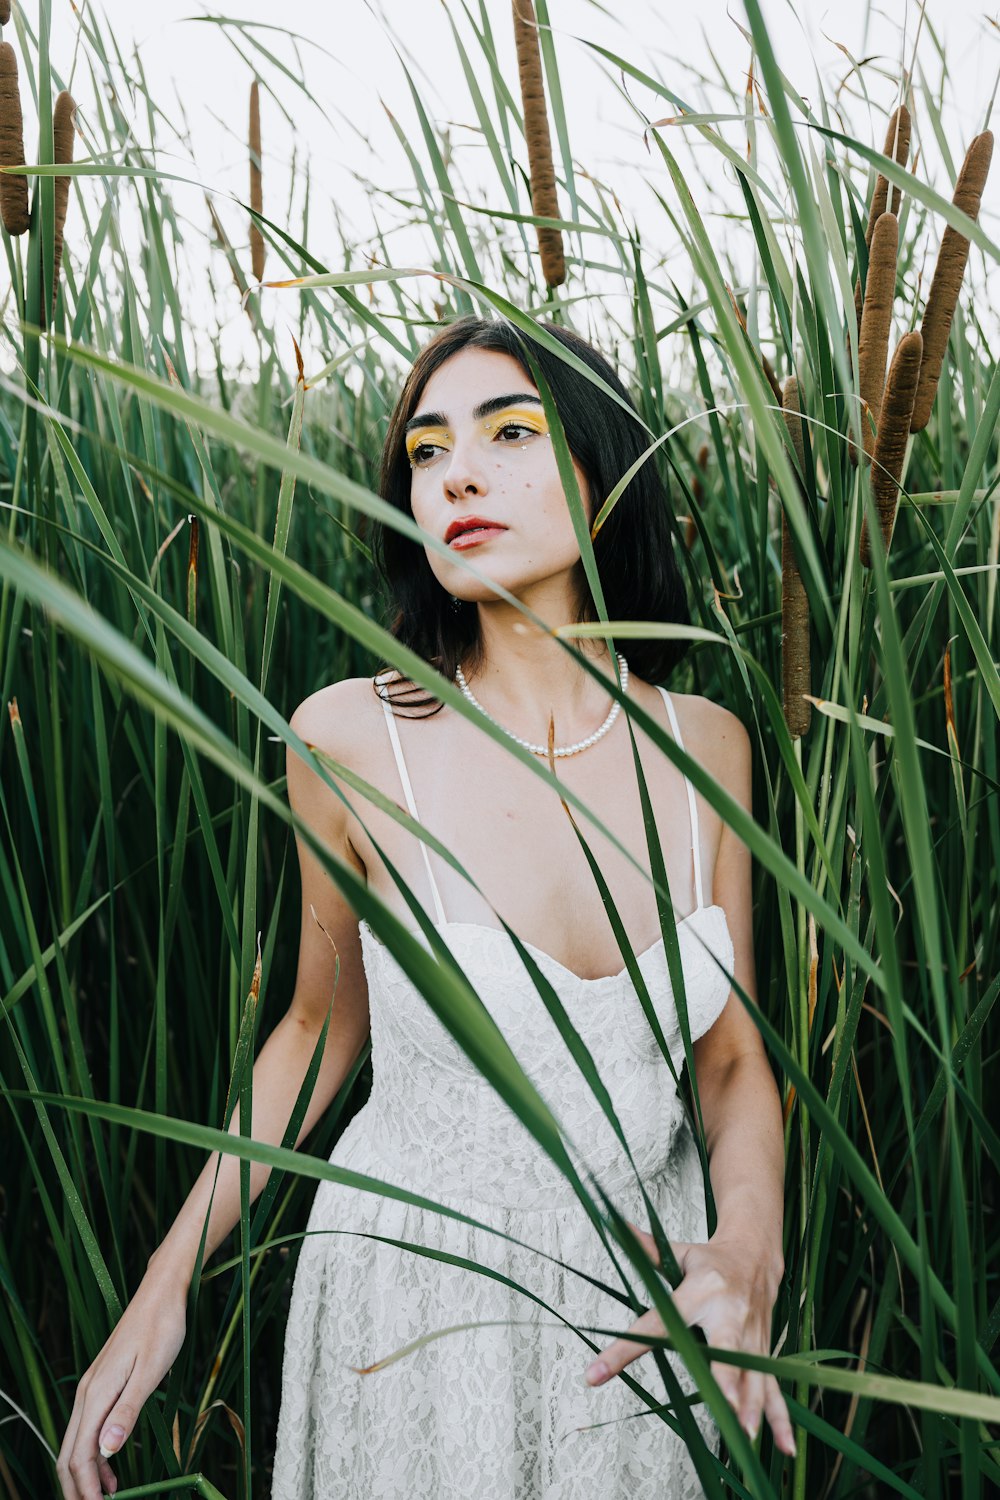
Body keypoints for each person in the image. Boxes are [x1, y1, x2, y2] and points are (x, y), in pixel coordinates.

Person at [57, 314, 794, 1500]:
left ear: (605, 467)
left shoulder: (706, 746)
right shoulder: (348, 737)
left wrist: (746, 1253)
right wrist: (166, 1284)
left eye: (510, 433)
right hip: (409, 1307)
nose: (455, 471)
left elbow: (730, 1061)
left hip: (647, 1323)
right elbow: (315, 1028)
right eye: (426, 448)